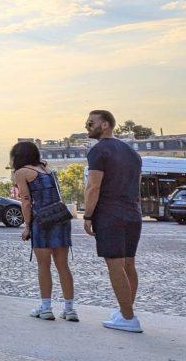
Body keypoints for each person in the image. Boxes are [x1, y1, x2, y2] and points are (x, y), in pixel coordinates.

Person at [83, 109, 143, 333]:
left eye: (91, 123)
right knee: (129, 264)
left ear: (106, 124)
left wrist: (88, 216)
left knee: (115, 265)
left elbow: (93, 186)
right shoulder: (131, 152)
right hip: (132, 213)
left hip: (110, 214)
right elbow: (135, 186)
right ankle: (126, 310)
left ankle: (128, 318)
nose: (87, 126)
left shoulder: (98, 151)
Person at [10, 141, 76, 322]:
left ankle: (46, 308)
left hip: (42, 220)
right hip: (60, 218)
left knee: (43, 265)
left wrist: (27, 226)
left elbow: (25, 201)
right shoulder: (47, 170)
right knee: (63, 266)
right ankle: (70, 310)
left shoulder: (21, 172)